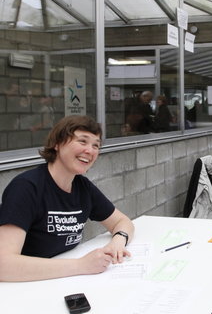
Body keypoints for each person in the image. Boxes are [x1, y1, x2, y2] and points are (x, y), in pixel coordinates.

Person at [0, 115, 134, 282]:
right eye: (82, 141)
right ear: (57, 144)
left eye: (96, 145)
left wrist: (118, 241)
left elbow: (122, 221)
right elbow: (4, 264)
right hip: (23, 287)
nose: (90, 151)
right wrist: (81, 265)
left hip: (62, 281)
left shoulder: (82, 186)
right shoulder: (26, 187)